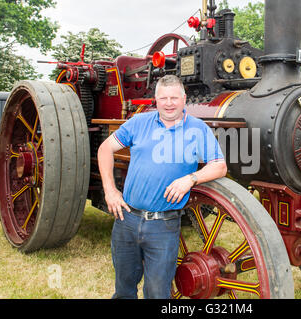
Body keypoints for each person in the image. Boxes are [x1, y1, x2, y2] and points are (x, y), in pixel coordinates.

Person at [97, 75, 227, 299]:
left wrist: (191, 179)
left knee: (158, 292)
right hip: (127, 220)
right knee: (124, 287)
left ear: (184, 98)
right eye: (163, 98)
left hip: (163, 226)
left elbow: (219, 166)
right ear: (155, 99)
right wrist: (110, 190)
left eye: (174, 98)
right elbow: (105, 149)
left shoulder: (198, 129)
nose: (169, 103)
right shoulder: (139, 122)